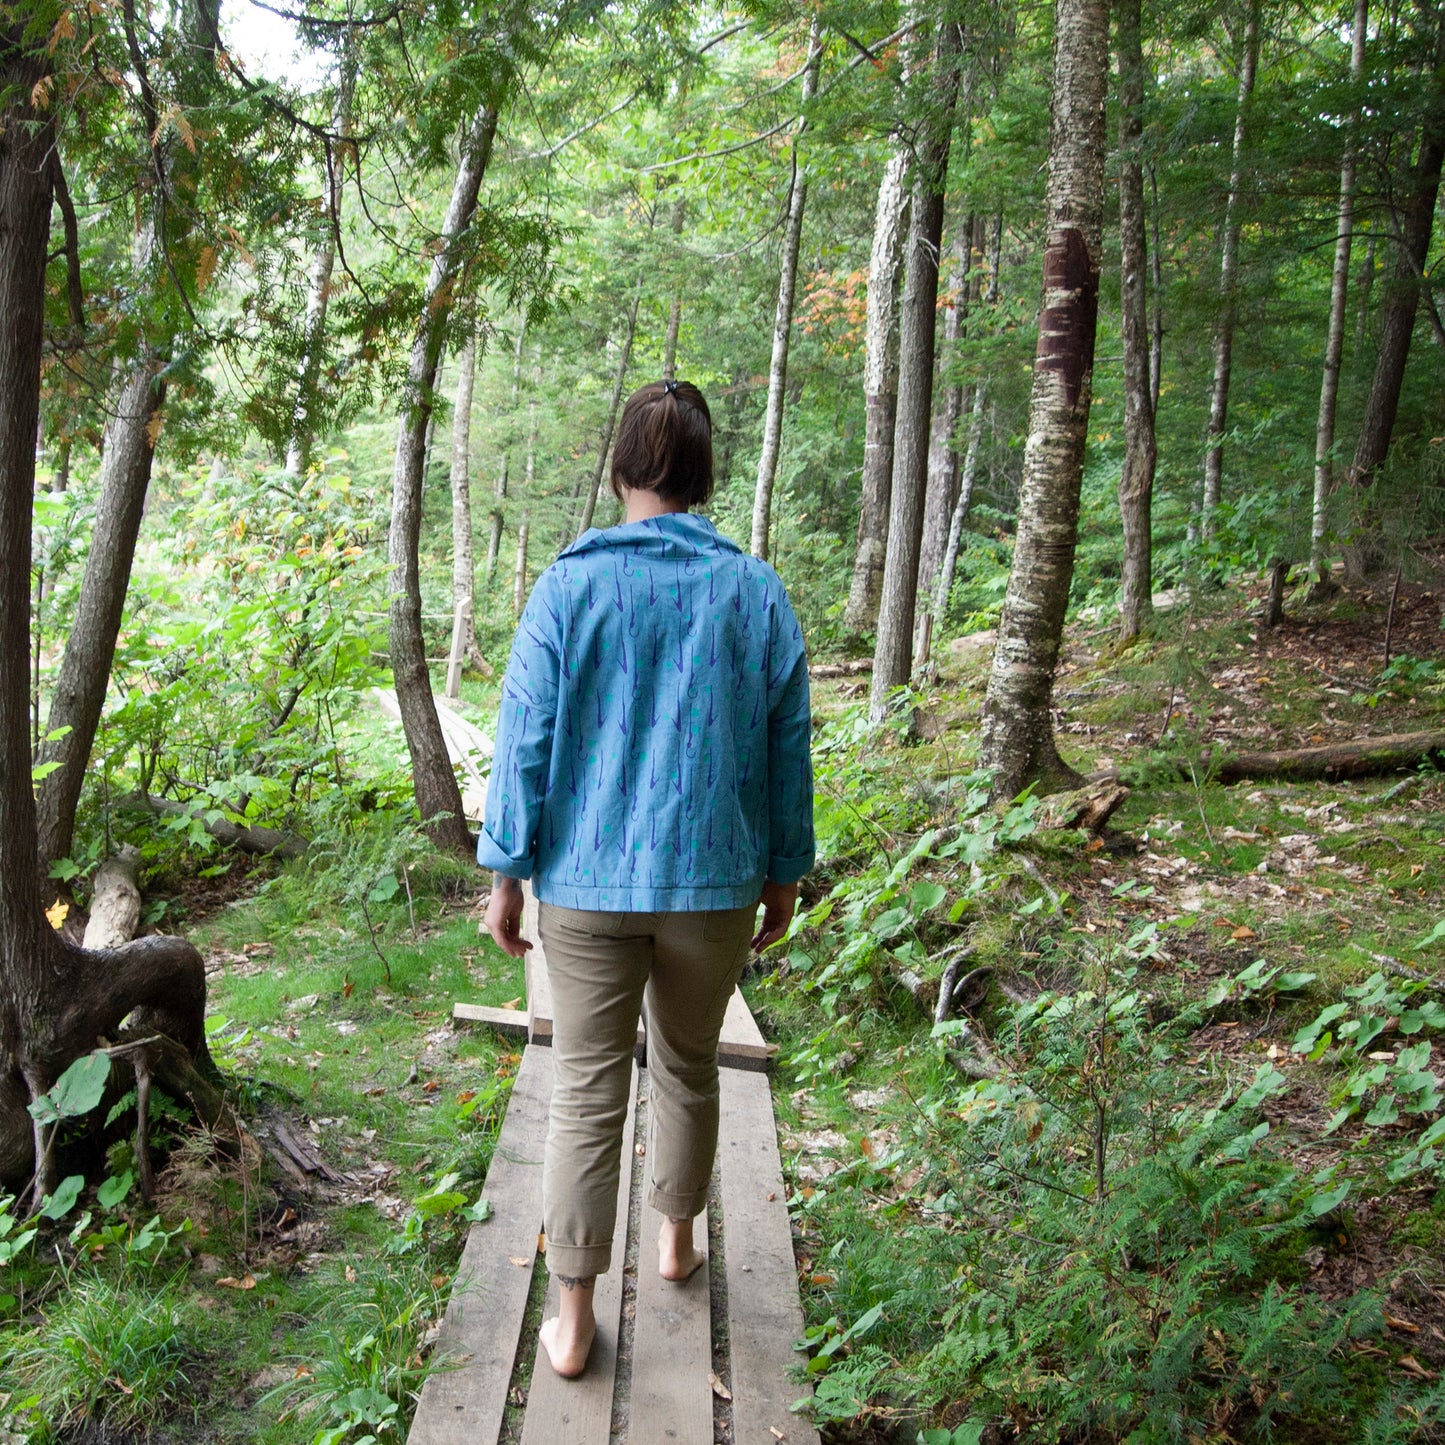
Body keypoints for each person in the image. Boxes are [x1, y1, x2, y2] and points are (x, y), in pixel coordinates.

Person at [478, 378, 814, 1379]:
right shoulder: (752, 589)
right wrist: (784, 872)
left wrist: (507, 872)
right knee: (687, 1064)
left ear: (621, 466)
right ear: (703, 477)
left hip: (581, 881)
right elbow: (786, 740)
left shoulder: (566, 586)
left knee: (582, 1090)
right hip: (713, 882)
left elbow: (524, 735)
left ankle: (573, 1319)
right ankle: (674, 1240)